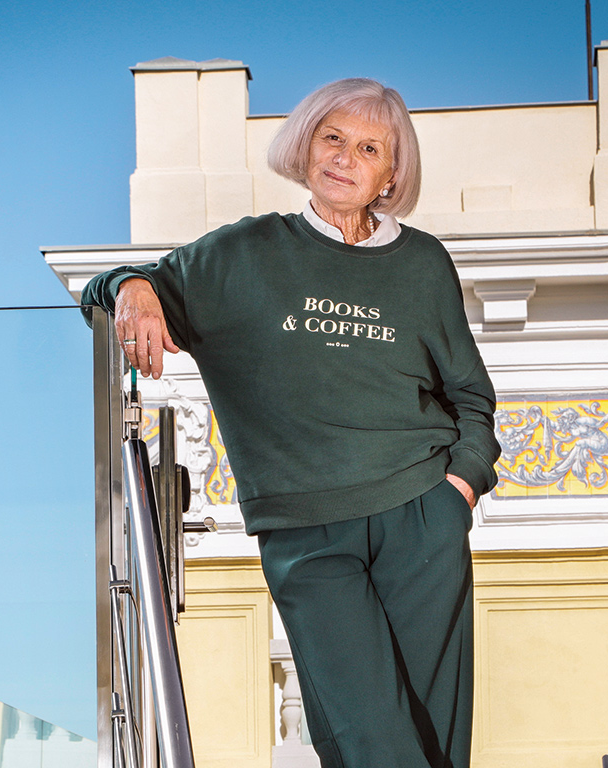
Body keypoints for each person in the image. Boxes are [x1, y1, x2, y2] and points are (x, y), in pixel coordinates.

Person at [83, 77, 500, 768]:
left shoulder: (422, 263)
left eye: (369, 147)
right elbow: (114, 285)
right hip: (306, 529)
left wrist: (458, 489)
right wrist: (136, 290)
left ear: (391, 173)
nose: (345, 157)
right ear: (305, 144)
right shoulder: (242, 255)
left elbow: (470, 397)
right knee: (366, 731)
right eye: (332, 137)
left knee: (432, 737)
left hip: (421, 517)